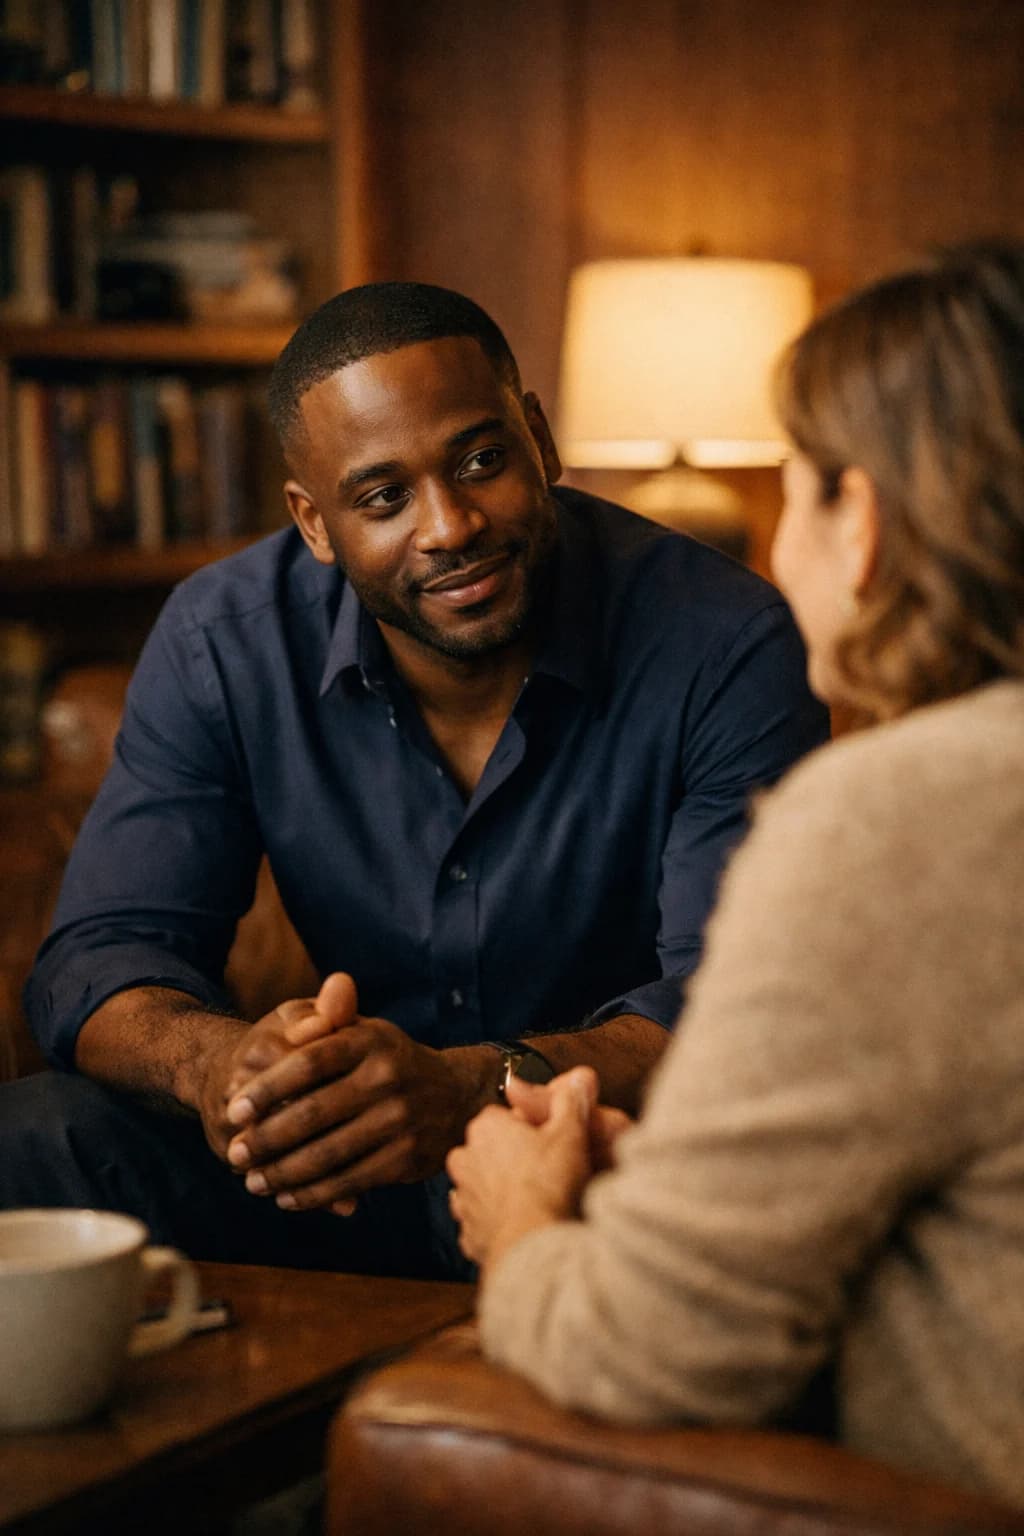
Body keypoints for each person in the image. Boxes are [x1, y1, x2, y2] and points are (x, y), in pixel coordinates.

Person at [3, 282, 826, 1281]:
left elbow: (729, 1016)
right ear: (314, 522)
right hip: (333, 1174)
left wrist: (469, 1088)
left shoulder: (720, 640)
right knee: (42, 1136)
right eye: (384, 497)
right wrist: (224, 1068)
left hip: (599, 1158)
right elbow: (101, 953)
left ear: (537, 438)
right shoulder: (225, 641)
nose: (449, 525)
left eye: (481, 461)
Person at [447, 242, 1024, 1503]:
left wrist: (520, 1223)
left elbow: (652, 1351)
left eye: (796, 490)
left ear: (859, 522)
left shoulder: (896, 817)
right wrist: (659, 1187)